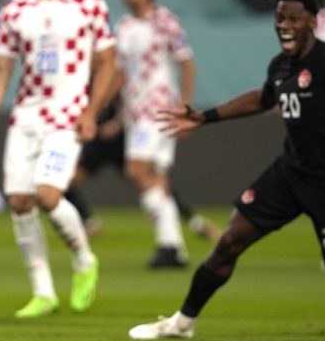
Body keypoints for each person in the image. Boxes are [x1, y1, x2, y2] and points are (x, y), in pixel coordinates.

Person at [128, 0, 325, 340]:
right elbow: (262, 99)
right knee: (230, 241)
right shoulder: (280, 66)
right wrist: (205, 117)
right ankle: (182, 323)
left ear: (312, 22)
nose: (284, 26)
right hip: (290, 174)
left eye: (293, 19)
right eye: (280, 19)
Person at [0, 0, 116, 318]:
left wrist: (91, 111)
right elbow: (2, 69)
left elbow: (108, 62)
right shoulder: (15, 10)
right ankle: (43, 292)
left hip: (68, 115)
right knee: (20, 202)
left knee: (48, 196)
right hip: (27, 116)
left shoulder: (89, 3)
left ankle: (84, 260)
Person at [106, 0, 197, 268]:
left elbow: (186, 64)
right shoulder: (124, 27)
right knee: (156, 178)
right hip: (135, 112)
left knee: (136, 170)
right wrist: (105, 111)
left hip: (159, 109)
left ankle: (169, 244)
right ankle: (172, 247)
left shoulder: (165, 21)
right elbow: (120, 75)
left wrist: (185, 107)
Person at [64, 97, 220, 242]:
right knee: (64, 181)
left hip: (122, 141)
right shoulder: (83, 74)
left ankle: (194, 223)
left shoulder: (117, 72)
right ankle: (88, 221)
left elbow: (127, 101)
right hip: (97, 140)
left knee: (150, 183)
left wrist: (117, 123)